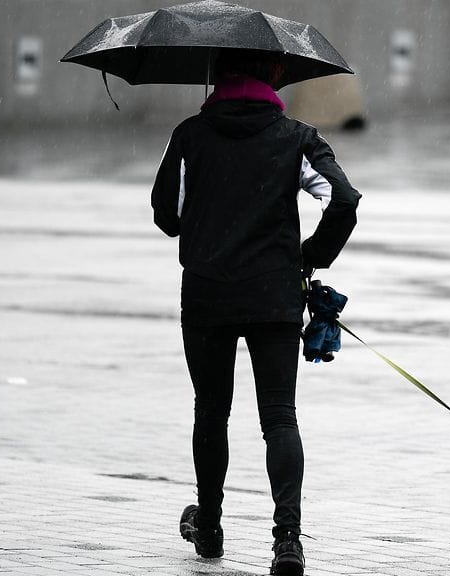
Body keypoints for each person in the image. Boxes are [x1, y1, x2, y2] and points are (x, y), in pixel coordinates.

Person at [151, 48, 360, 576]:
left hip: (207, 295)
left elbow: (167, 216)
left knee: (211, 411)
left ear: (217, 74)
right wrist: (311, 255)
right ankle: (287, 541)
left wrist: (211, 212)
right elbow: (343, 199)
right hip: (274, 295)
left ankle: (209, 526)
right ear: (275, 74)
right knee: (279, 417)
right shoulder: (298, 138)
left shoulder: (189, 135)